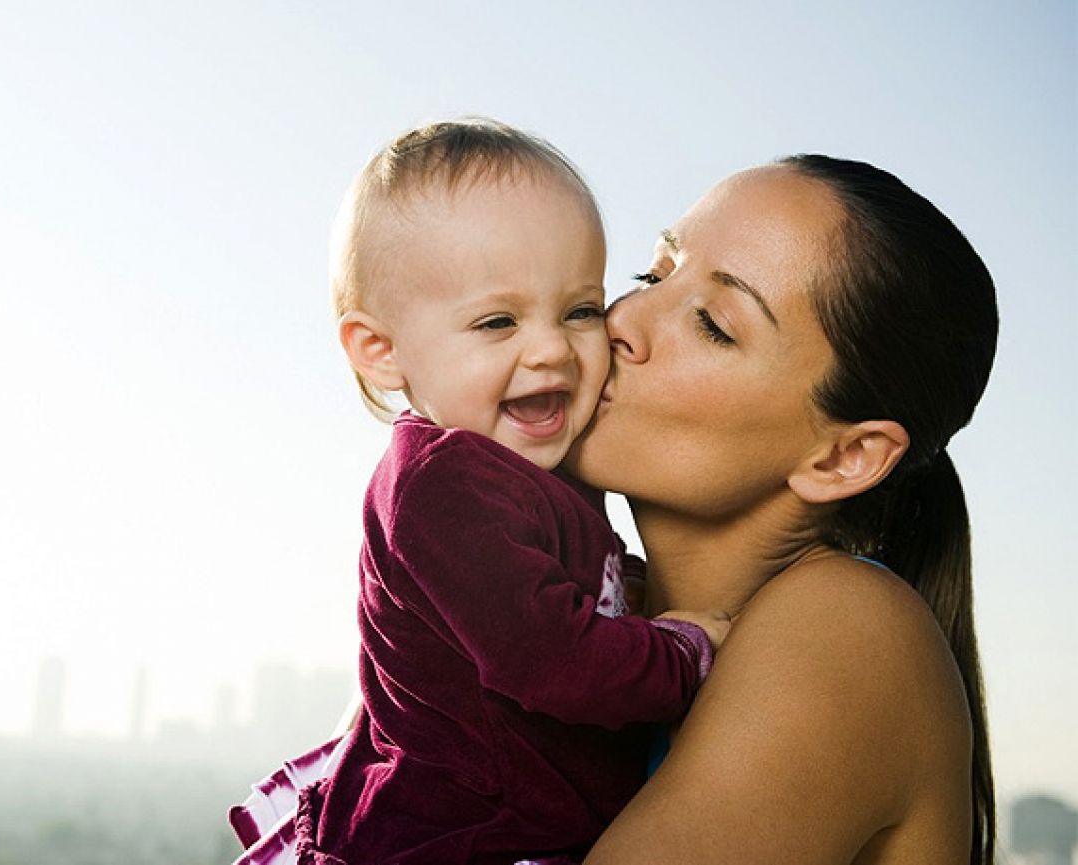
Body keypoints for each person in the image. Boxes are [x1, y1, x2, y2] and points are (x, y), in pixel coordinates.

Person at [230, 119, 730, 865]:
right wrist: (682, 650)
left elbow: (561, 595)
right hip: (452, 839)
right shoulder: (445, 482)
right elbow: (550, 657)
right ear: (381, 350)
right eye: (497, 321)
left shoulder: (527, 469)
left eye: (579, 310)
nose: (552, 347)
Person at [571, 155, 997, 864]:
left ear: (843, 456)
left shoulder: (847, 627)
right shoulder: (581, 623)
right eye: (654, 273)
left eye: (711, 323)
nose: (620, 321)